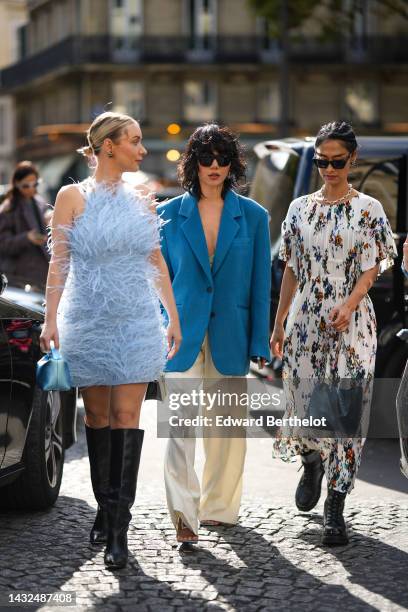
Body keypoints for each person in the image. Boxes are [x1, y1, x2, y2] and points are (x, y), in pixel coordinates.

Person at [39, 111, 181, 570]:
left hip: (137, 319)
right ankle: (104, 507)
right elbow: (58, 262)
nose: (142, 150)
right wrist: (50, 320)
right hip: (88, 319)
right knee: (97, 417)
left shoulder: (143, 197)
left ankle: (119, 527)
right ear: (107, 145)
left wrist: (172, 318)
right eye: (135, 141)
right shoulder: (70, 196)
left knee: (126, 415)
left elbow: (156, 260)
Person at [270, 120, 397, 546]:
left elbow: (373, 265)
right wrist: (279, 322)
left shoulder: (369, 209)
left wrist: (350, 301)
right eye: (322, 161)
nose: (328, 168)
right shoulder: (299, 209)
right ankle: (310, 460)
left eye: (336, 161)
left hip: (353, 321)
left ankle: (335, 508)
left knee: (346, 413)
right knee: (305, 405)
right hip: (306, 322)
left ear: (352, 159)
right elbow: (290, 267)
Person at [158, 123, 271, 543]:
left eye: (223, 158)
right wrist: (161, 327)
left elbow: (261, 285)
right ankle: (184, 516)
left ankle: (220, 509)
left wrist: (259, 341)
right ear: (193, 163)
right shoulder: (166, 215)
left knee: (224, 430)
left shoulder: (255, 216)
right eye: (206, 158)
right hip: (180, 335)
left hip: (231, 335)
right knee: (179, 429)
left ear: (232, 164)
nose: (215, 166)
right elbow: (159, 279)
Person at [0, 161, 51, 290]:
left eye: (35, 184)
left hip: (44, 270)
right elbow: (3, 244)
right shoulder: (8, 208)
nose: (31, 188)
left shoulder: (40, 202)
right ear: (17, 184)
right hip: (20, 277)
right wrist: (26, 238)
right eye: (26, 185)